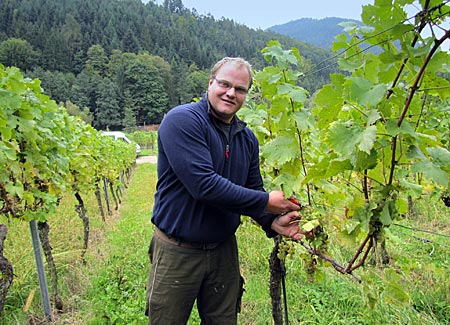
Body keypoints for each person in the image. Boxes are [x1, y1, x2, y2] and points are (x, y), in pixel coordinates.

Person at [145, 57, 305, 325]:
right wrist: (267, 201)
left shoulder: (247, 138)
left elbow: (251, 188)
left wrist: (273, 222)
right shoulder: (182, 121)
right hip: (177, 252)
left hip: (223, 252)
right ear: (210, 83)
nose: (231, 93)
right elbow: (204, 185)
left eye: (240, 89)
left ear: (246, 95)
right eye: (225, 84)